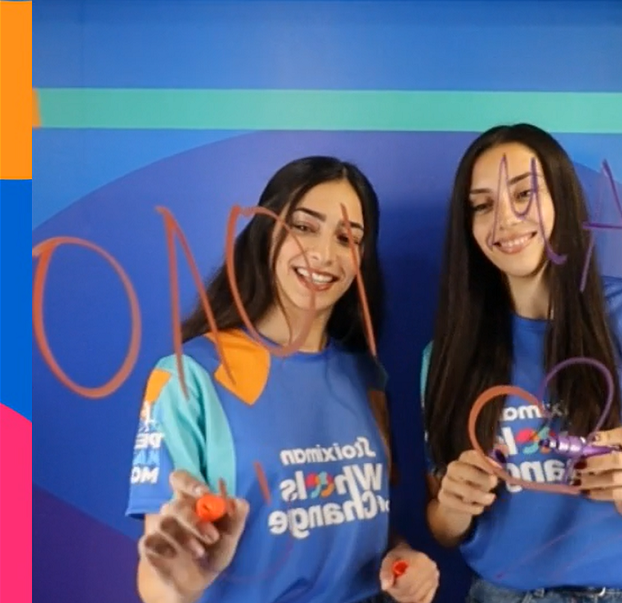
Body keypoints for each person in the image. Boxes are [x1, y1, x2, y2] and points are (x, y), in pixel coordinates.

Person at [420, 124, 622, 603]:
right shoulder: (445, 355)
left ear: (562, 199)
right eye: (482, 205)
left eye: (524, 193)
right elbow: (443, 527)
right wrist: (454, 506)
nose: (505, 219)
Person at [126, 157, 439, 603]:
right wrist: (179, 585)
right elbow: (159, 574)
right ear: (265, 232)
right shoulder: (188, 376)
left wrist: (402, 558)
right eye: (304, 227)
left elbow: (362, 520)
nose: (323, 254)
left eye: (347, 238)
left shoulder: (367, 375)